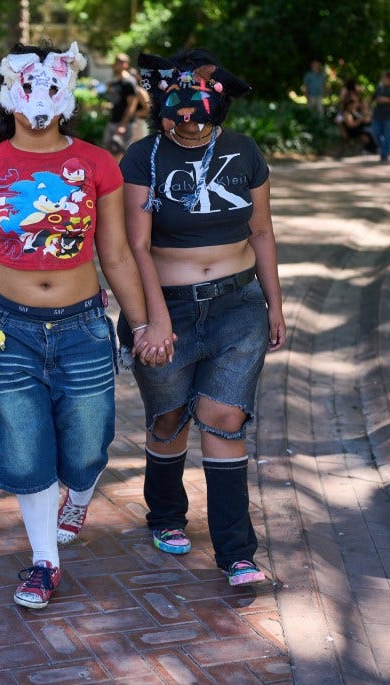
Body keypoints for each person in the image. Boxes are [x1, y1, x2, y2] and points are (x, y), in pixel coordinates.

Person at [0, 42, 166, 611]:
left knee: (86, 445)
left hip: (82, 325)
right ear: (9, 92)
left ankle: (78, 496)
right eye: (26, 88)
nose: (39, 101)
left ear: (68, 91)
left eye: (51, 87)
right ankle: (43, 562)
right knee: (28, 451)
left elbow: (119, 256)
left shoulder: (99, 164)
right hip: (8, 330)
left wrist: (140, 326)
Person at [121, 49, 286, 587]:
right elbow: (136, 247)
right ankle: (166, 514)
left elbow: (261, 231)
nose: (190, 131)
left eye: (202, 122)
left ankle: (237, 552)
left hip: (238, 306)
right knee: (170, 419)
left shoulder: (243, 152)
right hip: (167, 306)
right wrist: (154, 319)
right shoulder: (142, 157)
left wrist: (274, 304)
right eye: (179, 122)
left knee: (225, 419)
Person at [102, 53, 139, 161]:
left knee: (123, 155)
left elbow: (132, 105)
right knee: (108, 153)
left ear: (125, 64)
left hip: (124, 124)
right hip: (113, 121)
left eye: (119, 62)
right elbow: (116, 101)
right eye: (115, 62)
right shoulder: (115, 82)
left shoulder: (129, 82)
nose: (115, 65)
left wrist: (123, 124)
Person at [336, 79, 375, 156]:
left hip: (357, 128)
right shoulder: (346, 113)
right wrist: (361, 120)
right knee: (368, 131)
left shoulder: (355, 111)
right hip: (353, 130)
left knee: (371, 129)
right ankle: (369, 149)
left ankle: (370, 149)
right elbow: (350, 125)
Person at [370, 70, 390, 163]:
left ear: (388, 78)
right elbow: (374, 98)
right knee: (375, 133)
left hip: (389, 115)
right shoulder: (379, 87)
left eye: (383, 77)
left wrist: (384, 99)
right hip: (377, 114)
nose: (382, 78)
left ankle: (385, 155)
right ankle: (385, 148)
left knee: (387, 135)